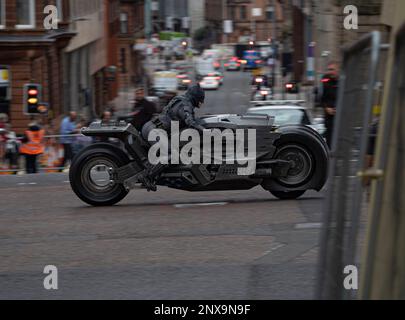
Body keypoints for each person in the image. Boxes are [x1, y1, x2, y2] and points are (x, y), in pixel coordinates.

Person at [138, 84, 206, 191]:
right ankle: (147, 176)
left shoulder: (181, 100)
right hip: (154, 131)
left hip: (153, 127)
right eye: (200, 100)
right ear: (195, 97)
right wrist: (205, 131)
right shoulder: (185, 105)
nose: (201, 103)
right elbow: (190, 121)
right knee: (172, 154)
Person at [321, 62, 340, 148]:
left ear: (338, 70)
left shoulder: (343, 81)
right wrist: (327, 108)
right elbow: (321, 98)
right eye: (329, 70)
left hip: (342, 118)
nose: (330, 72)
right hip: (330, 119)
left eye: (332, 70)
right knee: (330, 142)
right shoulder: (326, 80)